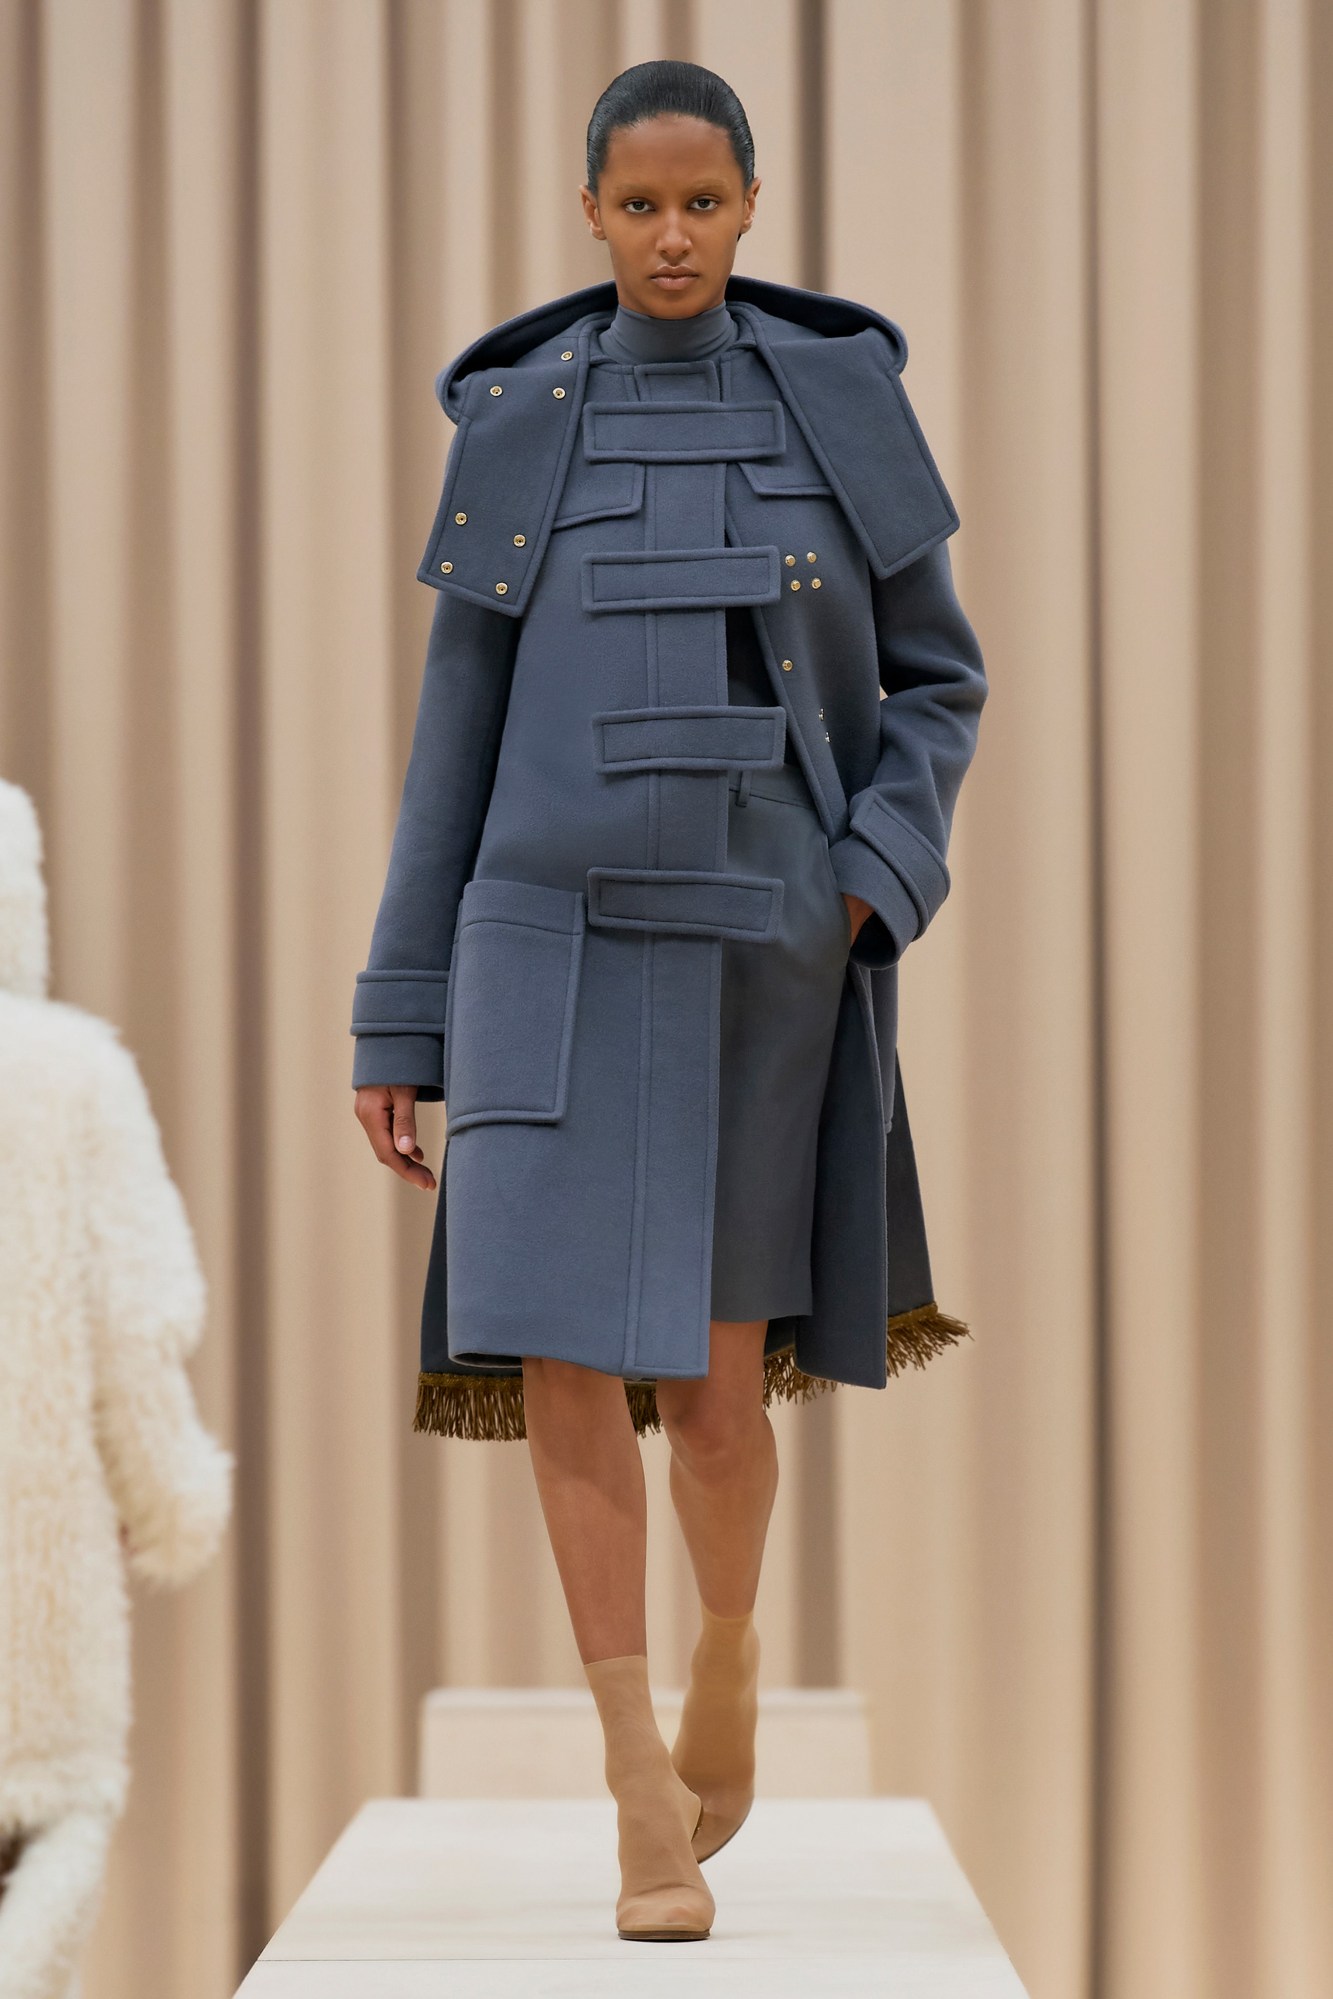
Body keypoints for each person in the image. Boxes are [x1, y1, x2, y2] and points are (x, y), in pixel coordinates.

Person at [351, 60, 987, 1944]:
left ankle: (726, 1648)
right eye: (638, 206)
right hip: (540, 942)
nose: (672, 234)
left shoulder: (840, 401)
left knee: (715, 1389)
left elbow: (938, 684)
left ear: (751, 200)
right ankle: (630, 1773)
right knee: (558, 1358)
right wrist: (403, 1014)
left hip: (756, 953)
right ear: (590, 213)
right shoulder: (517, 422)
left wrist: (865, 888)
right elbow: (448, 743)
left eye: (701, 202)